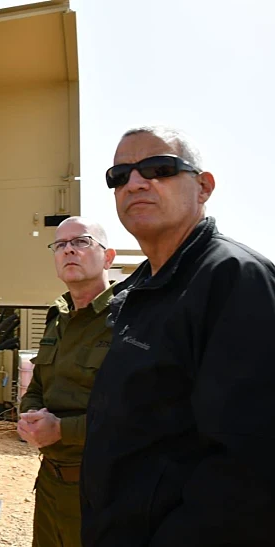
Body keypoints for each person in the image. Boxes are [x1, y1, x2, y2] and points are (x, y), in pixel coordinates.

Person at [80, 126, 275, 546]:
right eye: (120, 175)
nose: (135, 182)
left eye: (159, 168)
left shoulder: (235, 279)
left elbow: (249, 465)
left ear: (203, 187)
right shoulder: (142, 287)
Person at [18, 216, 116, 547]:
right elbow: (37, 388)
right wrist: (30, 417)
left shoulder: (130, 319)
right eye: (60, 245)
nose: (69, 250)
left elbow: (140, 415)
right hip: (50, 485)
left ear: (108, 256)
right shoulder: (57, 317)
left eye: (81, 242)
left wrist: (62, 430)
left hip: (105, 490)